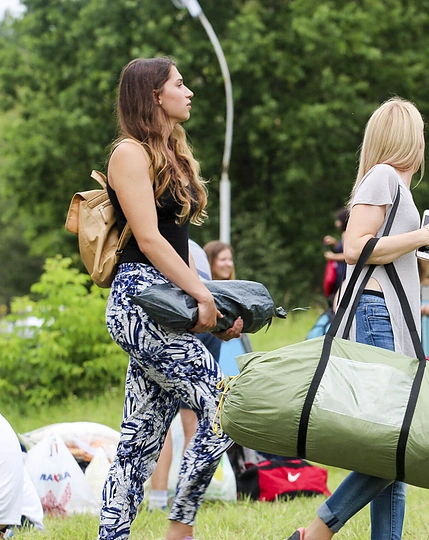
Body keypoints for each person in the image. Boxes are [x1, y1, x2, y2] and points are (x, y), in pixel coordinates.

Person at [288, 97, 429, 540]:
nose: (424, 140)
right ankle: (315, 531)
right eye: (420, 131)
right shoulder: (383, 176)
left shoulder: (396, 187)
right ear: (406, 136)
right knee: (394, 445)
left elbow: (384, 246)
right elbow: (355, 247)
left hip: (389, 316)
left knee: (393, 454)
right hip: (374, 313)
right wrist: (424, 234)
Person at [100, 57, 242, 540]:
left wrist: (217, 311)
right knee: (223, 410)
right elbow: (150, 239)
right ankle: (180, 527)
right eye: (179, 84)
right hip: (141, 301)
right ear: (153, 95)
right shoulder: (129, 154)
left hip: (167, 300)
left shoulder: (170, 151)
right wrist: (203, 295)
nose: (189, 92)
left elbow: (176, 244)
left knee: (138, 441)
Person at [148, 239, 223, 512]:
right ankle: (185, 498)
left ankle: (158, 499)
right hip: (205, 324)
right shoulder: (193, 246)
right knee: (195, 419)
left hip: (170, 325)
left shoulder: (158, 241)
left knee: (161, 422)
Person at [323, 208, 350, 296]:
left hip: (343, 272)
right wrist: (335, 243)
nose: (337, 223)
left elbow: (348, 255)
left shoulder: (346, 234)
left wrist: (332, 256)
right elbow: (343, 248)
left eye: (338, 221)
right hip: (341, 270)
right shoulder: (346, 234)